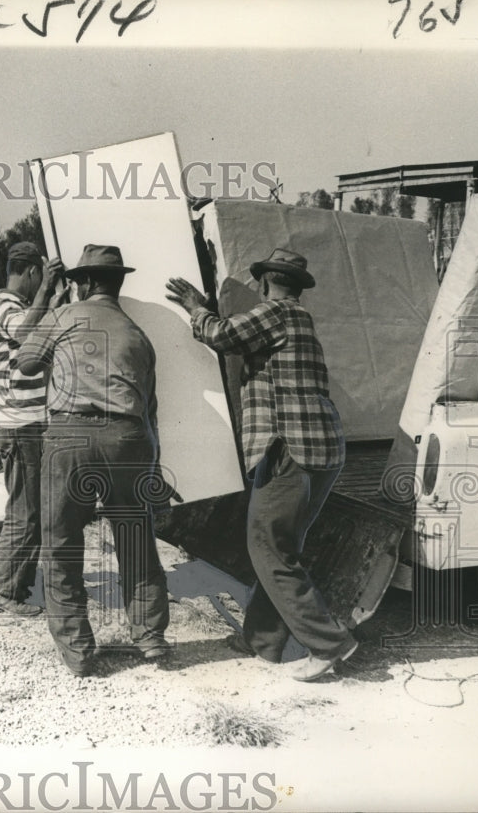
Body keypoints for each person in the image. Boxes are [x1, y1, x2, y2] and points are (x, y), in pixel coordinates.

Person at [165, 247, 356, 682]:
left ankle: (329, 642)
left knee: (267, 547)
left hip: (289, 447)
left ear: (265, 282)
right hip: (321, 450)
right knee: (279, 547)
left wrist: (198, 308)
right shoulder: (300, 319)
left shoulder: (276, 312)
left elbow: (223, 335)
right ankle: (263, 641)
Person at [16, 244, 171, 676]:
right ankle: (151, 636)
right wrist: (152, 470)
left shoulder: (67, 315)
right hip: (130, 438)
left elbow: (26, 361)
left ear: (82, 282)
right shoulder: (139, 334)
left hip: (73, 434)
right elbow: (150, 410)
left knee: (61, 541)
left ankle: (80, 652)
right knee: (135, 538)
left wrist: (57, 312)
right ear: (118, 283)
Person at [0, 241, 65, 616]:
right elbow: (25, 331)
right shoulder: (6, 308)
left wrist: (54, 300)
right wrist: (48, 290)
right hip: (18, 426)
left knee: (28, 508)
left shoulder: (13, 308)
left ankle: (18, 585)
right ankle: (3, 592)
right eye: (38, 278)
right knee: (25, 512)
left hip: (19, 424)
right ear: (31, 272)